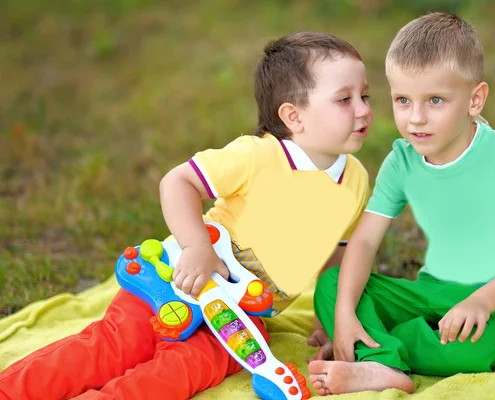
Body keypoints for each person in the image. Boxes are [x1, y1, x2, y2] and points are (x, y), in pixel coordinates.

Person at [0, 31, 372, 400]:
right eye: (344, 99)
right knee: (111, 347)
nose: (364, 109)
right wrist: (196, 245)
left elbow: (336, 254)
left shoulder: (355, 180)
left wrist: (329, 318)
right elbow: (178, 181)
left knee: (188, 370)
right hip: (176, 281)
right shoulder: (257, 156)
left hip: (238, 319)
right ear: (294, 116)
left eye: (365, 96)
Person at [307, 12, 495, 396]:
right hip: (434, 290)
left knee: (477, 352)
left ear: (475, 99)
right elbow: (365, 242)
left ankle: (374, 350)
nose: (416, 118)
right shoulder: (402, 160)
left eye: (435, 100)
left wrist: (481, 302)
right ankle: (380, 360)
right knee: (332, 284)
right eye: (403, 100)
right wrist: (343, 317)